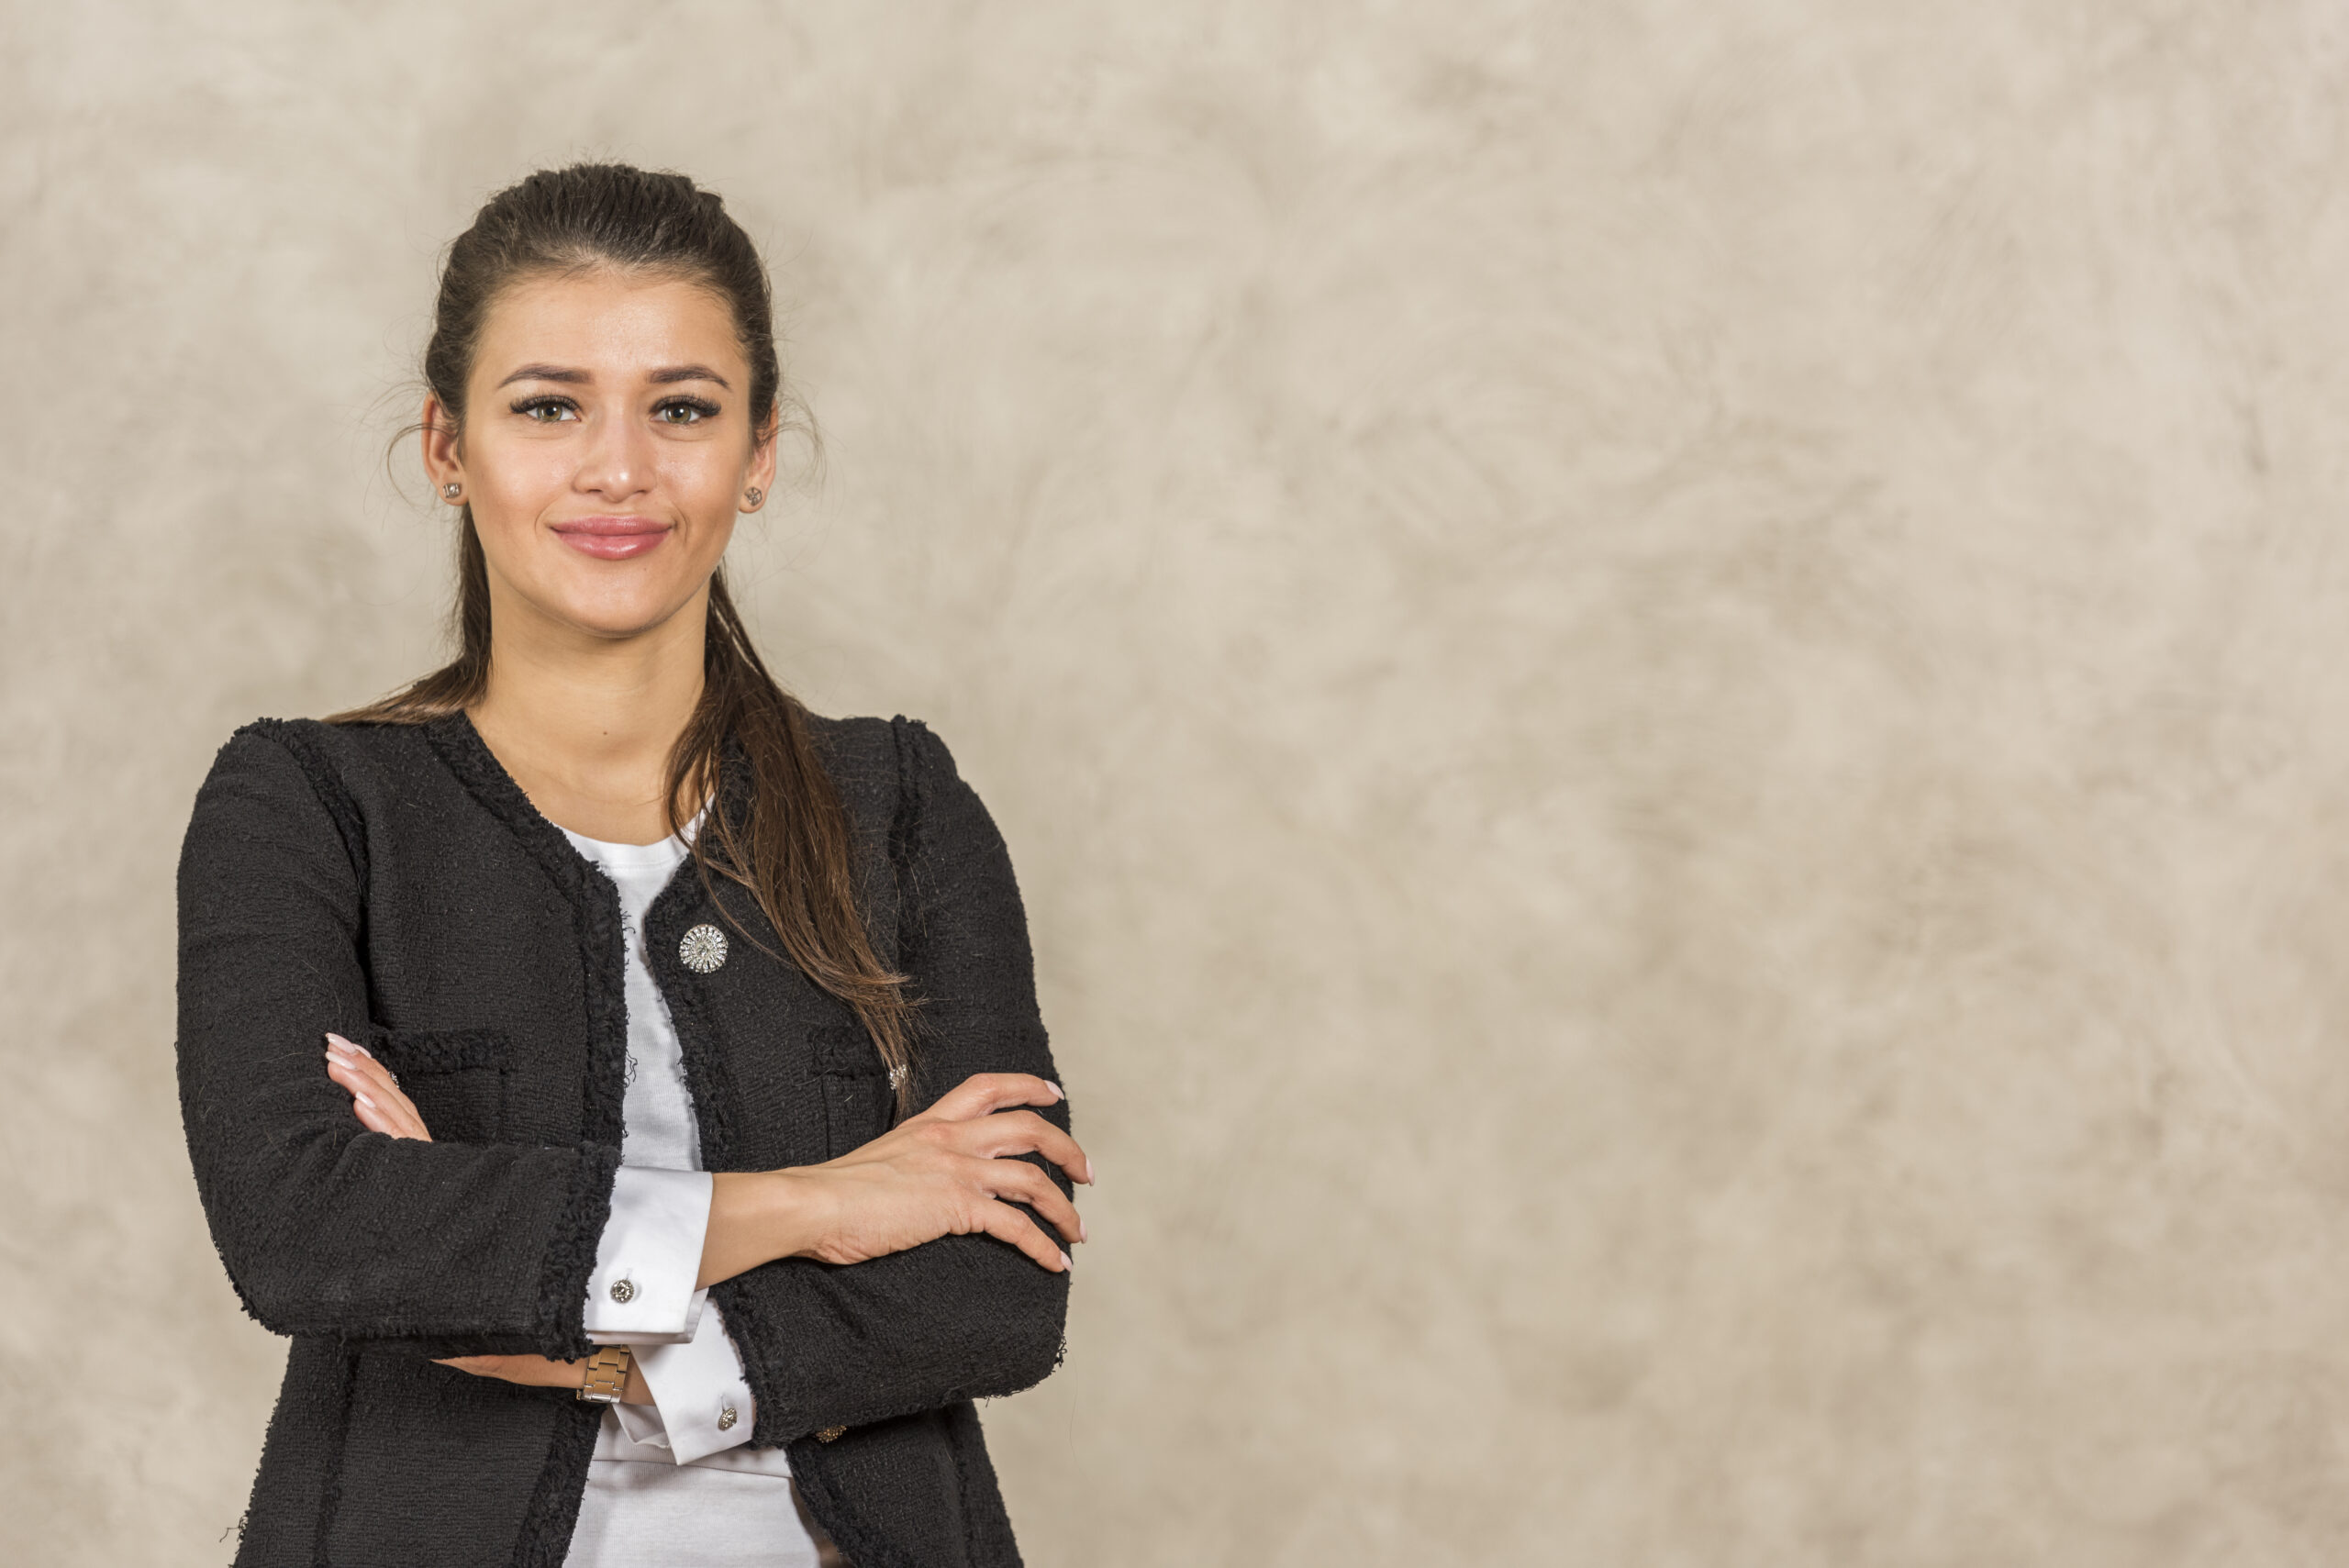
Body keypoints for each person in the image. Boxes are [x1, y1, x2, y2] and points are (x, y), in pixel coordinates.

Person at [174, 163, 1088, 1568]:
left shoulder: (898, 799)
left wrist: (557, 1328)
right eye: (549, 406)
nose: (620, 468)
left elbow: (998, 1282)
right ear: (445, 444)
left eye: (683, 408)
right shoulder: (306, 801)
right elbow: (305, 1227)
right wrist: (829, 1202)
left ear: (761, 448)